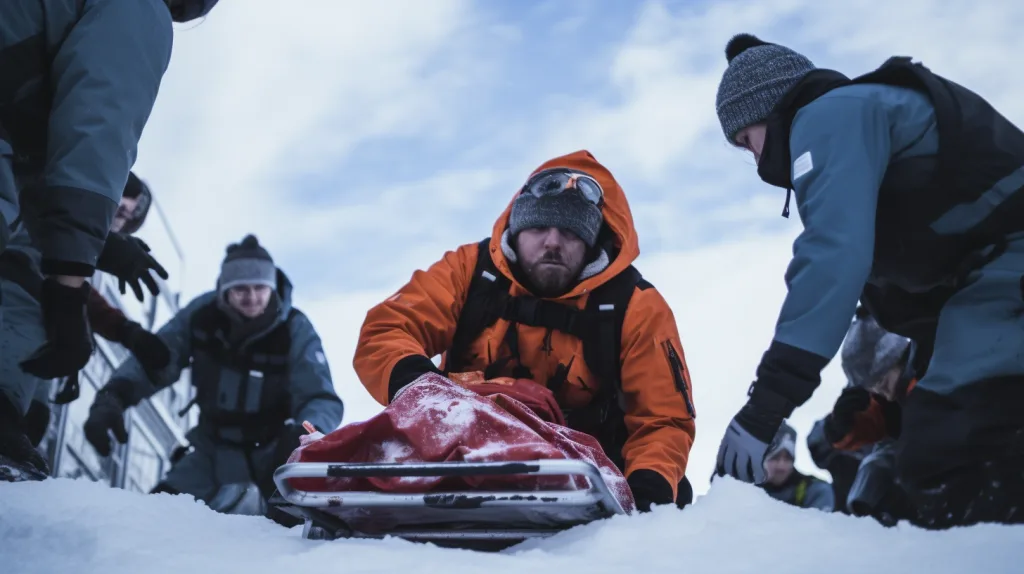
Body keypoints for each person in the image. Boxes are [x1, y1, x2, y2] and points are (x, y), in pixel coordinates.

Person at [711, 32, 1024, 528]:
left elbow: (832, 257)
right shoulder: (859, 125)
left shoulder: (826, 118)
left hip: (1008, 267)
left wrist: (765, 406)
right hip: (988, 281)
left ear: (768, 111)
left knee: (953, 448)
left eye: (745, 141)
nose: (753, 161)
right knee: (920, 454)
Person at [353, 150, 697, 512]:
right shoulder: (468, 272)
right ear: (516, 230)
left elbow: (663, 419)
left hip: (587, 476)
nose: (552, 242)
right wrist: (419, 391)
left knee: (670, 491)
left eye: (570, 232)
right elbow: (387, 328)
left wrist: (647, 492)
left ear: (593, 243)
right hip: (460, 456)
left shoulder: (636, 306)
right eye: (538, 227)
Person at [0, 0, 219, 391]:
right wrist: (70, 290)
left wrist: (95, 253)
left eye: (123, 220)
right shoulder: (141, 9)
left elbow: (34, 175)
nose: (115, 216)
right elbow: (94, 138)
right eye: (114, 208)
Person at [81, 234, 344, 519]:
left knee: (289, 527)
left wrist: (302, 435)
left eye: (260, 288)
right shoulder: (202, 316)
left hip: (273, 451)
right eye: (241, 289)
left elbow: (320, 397)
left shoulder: (296, 329)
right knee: (154, 516)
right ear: (225, 289)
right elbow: (158, 358)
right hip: (210, 449)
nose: (252, 297)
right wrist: (114, 396)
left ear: (272, 288)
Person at [0, 172, 171, 477]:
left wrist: (128, 332)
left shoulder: (75, 258)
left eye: (128, 218)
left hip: (32, 340)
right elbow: (43, 265)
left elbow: (77, 291)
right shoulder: (44, 211)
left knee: (33, 412)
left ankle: (13, 458)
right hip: (13, 304)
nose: (119, 221)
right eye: (118, 209)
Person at [761, 422, 833, 512]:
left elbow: (819, 525)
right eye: (774, 458)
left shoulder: (816, 490)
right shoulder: (746, 489)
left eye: (788, 458)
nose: (781, 466)